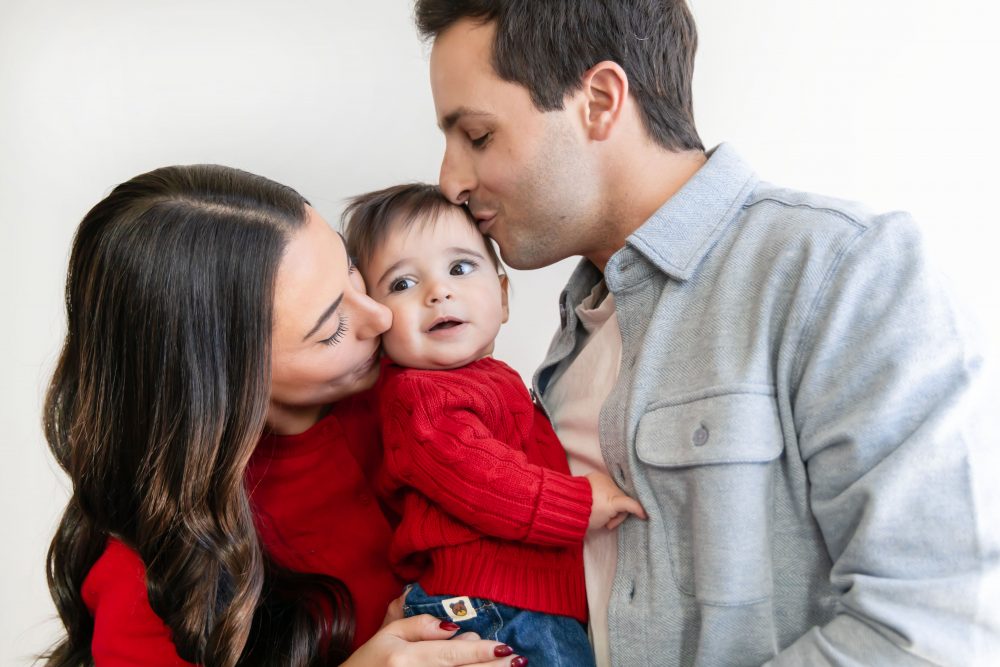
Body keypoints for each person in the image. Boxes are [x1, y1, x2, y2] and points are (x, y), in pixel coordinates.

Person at [412, 1, 1000, 665]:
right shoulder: (568, 343)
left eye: (478, 136)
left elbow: (938, 628)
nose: (450, 181)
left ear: (599, 102)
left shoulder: (842, 271)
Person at [43, 164, 527, 667]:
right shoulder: (156, 575)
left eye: (350, 269)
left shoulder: (417, 391)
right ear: (225, 380)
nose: (380, 315)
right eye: (331, 328)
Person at [341, 183, 646, 667]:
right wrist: (580, 502)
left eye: (460, 269)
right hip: (489, 609)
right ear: (377, 321)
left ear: (502, 297)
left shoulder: (492, 379)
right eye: (402, 284)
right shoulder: (417, 396)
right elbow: (483, 479)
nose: (438, 292)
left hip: (521, 606)